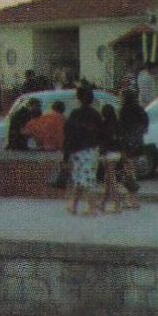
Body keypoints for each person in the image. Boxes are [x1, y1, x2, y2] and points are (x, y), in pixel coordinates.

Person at [63, 85, 103, 217]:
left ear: (79, 99)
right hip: (91, 149)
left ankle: (91, 207)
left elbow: (68, 135)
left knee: (82, 178)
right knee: (83, 177)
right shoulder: (96, 115)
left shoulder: (75, 114)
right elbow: (100, 134)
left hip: (77, 150)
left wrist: (65, 155)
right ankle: (73, 204)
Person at [115, 87, 148, 209]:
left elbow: (120, 129)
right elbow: (145, 126)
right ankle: (134, 199)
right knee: (131, 170)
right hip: (138, 143)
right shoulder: (140, 110)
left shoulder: (124, 111)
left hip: (126, 144)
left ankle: (132, 199)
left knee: (128, 171)